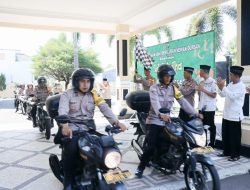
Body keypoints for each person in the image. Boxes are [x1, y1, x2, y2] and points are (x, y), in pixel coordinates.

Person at [58, 68, 127, 189]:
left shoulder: (94, 94)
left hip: (88, 128)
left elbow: (104, 107)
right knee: (71, 150)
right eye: (82, 81)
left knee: (107, 145)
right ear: (76, 82)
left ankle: (107, 170)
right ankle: (68, 182)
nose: (86, 84)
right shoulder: (67, 94)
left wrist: (116, 122)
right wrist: (64, 125)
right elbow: (62, 110)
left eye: (88, 81)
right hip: (71, 128)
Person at [135, 64, 197, 178]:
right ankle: (140, 168)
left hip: (167, 120)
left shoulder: (174, 88)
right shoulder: (154, 88)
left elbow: (182, 101)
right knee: (151, 146)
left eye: (170, 76)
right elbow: (155, 103)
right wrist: (161, 114)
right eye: (166, 76)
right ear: (161, 76)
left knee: (178, 140)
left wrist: (195, 113)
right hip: (154, 120)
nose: (168, 78)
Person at [216, 66, 246, 161]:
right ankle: (226, 152)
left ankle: (235, 155)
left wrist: (223, 87)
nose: (229, 76)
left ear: (237, 76)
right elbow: (223, 95)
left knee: (234, 137)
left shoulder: (242, 86)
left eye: (231, 75)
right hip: (226, 114)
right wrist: (219, 87)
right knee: (226, 135)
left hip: (234, 115)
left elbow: (232, 96)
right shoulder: (230, 84)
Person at [196, 65, 217, 148]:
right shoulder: (202, 81)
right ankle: (203, 143)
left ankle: (212, 144)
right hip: (201, 108)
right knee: (202, 126)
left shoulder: (213, 82)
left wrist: (203, 90)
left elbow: (214, 95)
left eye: (200, 71)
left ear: (204, 72)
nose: (199, 72)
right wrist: (199, 91)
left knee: (211, 126)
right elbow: (201, 95)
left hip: (209, 109)